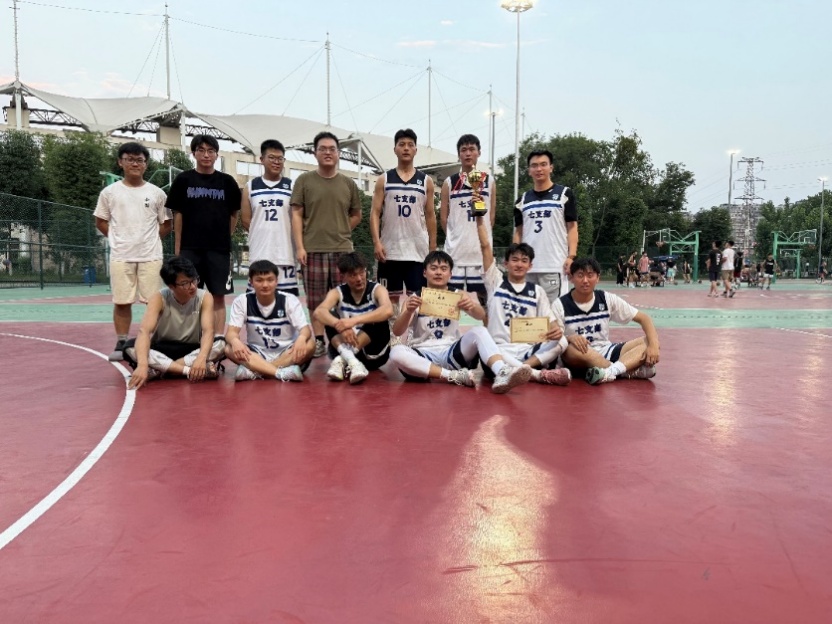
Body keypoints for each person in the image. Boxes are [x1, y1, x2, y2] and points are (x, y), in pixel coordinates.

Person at [389, 250, 532, 393]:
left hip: (452, 353)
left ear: (450, 274)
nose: (438, 272)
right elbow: (397, 331)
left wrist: (472, 306)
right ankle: (452, 376)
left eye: (443, 269)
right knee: (396, 351)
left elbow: (480, 315)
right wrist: (408, 311)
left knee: (479, 331)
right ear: (425, 273)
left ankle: (501, 371)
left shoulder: (458, 295)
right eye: (434, 268)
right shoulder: (414, 299)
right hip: (423, 354)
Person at [94, 141, 171, 361]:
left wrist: (150, 240)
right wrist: (118, 240)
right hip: (121, 256)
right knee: (121, 301)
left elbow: (166, 224)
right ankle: (121, 342)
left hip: (151, 256)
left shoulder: (157, 193)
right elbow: (100, 221)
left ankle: (154, 340)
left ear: (146, 164)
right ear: (120, 162)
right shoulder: (109, 193)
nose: (135, 164)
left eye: (139, 160)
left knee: (154, 301)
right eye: (130, 159)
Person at [291, 131, 363, 358]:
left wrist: (341, 229)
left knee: (346, 298)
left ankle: (345, 338)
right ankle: (320, 340)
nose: (328, 153)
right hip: (313, 249)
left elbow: (356, 214)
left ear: (339, 153)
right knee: (316, 300)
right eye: (323, 149)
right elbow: (296, 214)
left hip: (343, 251)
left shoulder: (348, 183)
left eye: (332, 149)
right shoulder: (304, 181)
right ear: (315, 153)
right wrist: (300, 247)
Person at [476, 214, 571, 385]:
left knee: (562, 340)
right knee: (482, 339)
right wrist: (479, 220)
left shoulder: (538, 292)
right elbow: (485, 247)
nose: (519, 264)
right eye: (514, 260)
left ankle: (521, 370)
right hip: (499, 352)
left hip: (528, 352)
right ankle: (537, 375)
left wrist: (556, 331)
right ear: (506, 264)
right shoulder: (495, 282)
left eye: (524, 260)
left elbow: (552, 324)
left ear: (530, 266)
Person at [166, 134, 242, 333]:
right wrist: (178, 249)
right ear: (194, 153)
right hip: (190, 249)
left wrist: (225, 237)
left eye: (210, 151)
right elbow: (178, 215)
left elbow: (234, 214)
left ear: (217, 154)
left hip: (219, 251)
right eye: (201, 150)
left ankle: (217, 340)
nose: (206, 155)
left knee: (218, 296)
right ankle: (190, 338)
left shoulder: (227, 182)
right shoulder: (183, 180)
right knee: (188, 294)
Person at [124, 256, 226, 390]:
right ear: (171, 286)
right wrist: (142, 365)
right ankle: (187, 370)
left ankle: (160, 369)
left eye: (194, 279)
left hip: (192, 350)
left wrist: (201, 358)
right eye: (185, 283)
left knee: (221, 344)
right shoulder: (159, 298)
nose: (193, 286)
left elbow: (208, 331)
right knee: (130, 347)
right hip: (163, 349)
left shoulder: (205, 297)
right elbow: (144, 332)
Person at [556, 257, 660, 385]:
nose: (585, 280)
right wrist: (569, 338)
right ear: (571, 278)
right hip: (580, 354)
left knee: (649, 340)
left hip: (606, 350)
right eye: (580, 275)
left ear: (597, 278)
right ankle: (623, 370)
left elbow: (644, 318)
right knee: (569, 350)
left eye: (590, 275)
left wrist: (654, 346)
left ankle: (609, 372)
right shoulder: (560, 305)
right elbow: (549, 338)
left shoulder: (606, 299)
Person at [370, 128, 437, 306]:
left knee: (419, 299)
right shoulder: (384, 179)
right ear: (395, 149)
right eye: (402, 144)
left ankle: (417, 326)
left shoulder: (426, 181)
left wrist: (432, 246)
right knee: (389, 301)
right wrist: (377, 242)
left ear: (416, 149)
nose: (406, 148)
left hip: (417, 251)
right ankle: (393, 327)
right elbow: (375, 212)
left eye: (410, 145)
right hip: (390, 251)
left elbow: (430, 215)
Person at [224, 260, 315, 382]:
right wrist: (235, 341)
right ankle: (280, 373)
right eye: (259, 280)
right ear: (251, 282)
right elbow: (231, 332)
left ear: (276, 281)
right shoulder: (242, 301)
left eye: (270, 280)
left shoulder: (289, 300)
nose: (265, 285)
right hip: (257, 352)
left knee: (310, 344)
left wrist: (302, 338)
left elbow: (305, 330)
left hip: (286, 352)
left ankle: (256, 371)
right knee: (228, 348)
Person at [313, 252, 393, 384]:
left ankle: (344, 359)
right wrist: (341, 326)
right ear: (342, 276)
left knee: (378, 317)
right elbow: (318, 312)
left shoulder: (377, 289)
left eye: (362, 273)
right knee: (330, 317)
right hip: (344, 344)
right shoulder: (337, 292)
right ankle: (352, 361)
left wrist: (352, 321)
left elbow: (388, 310)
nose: (359, 278)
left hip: (373, 354)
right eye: (353, 275)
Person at [512, 149, 578, 301]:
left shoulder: (564, 194)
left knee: (553, 312)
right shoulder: (522, 200)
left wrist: (571, 256)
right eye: (534, 165)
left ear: (551, 168)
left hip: (554, 265)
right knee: (528, 311)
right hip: (528, 266)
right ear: (529, 170)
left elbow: (572, 227)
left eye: (543, 164)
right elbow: (519, 232)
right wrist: (516, 258)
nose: (539, 169)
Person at [439, 134, 496, 304]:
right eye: (464, 150)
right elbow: (443, 218)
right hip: (455, 253)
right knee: (450, 302)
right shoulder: (449, 183)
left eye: (472, 149)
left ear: (479, 152)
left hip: (480, 253)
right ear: (459, 155)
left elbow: (491, 217)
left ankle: (486, 323)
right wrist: (454, 236)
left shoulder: (489, 181)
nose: (468, 153)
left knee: (486, 300)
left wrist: (483, 238)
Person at [240, 139, 297, 293]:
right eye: (271, 157)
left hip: (285, 254)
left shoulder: (292, 186)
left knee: (287, 301)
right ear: (262, 159)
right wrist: (263, 233)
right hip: (259, 253)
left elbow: (297, 219)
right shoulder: (251, 186)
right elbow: (246, 220)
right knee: (257, 301)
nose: (276, 162)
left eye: (280, 158)